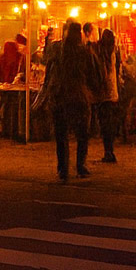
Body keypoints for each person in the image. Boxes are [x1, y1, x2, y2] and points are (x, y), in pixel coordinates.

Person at [43, 19, 100, 182]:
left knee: (61, 135)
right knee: (82, 134)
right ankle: (80, 166)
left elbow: (47, 66)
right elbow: (93, 75)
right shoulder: (84, 51)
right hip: (78, 96)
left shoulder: (56, 49)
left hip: (60, 96)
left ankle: (63, 169)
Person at [95, 28, 122, 163]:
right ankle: (110, 151)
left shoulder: (101, 52)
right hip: (113, 91)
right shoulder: (114, 52)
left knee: (104, 123)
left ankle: (108, 151)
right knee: (110, 123)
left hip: (103, 92)